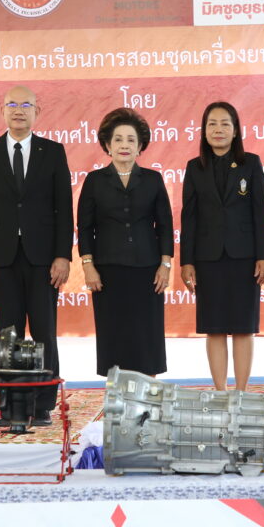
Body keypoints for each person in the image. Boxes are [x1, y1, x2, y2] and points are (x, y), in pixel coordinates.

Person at [0, 86, 73, 426]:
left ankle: (43, 405)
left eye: (25, 104)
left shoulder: (52, 151)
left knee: (45, 332)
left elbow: (64, 208)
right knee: (8, 335)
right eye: (11, 104)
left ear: (36, 112)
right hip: (1, 259)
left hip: (43, 258)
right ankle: (11, 405)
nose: (18, 110)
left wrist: (63, 255)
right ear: (2, 111)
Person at [180, 102, 264, 391]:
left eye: (224, 124)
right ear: (204, 130)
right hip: (207, 258)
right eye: (212, 124)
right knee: (215, 329)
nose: (218, 129)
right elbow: (189, 217)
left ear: (235, 131)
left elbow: (260, 211)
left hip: (245, 257)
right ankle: (220, 392)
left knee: (244, 328)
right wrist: (186, 261)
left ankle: (241, 393)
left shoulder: (251, 163)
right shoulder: (194, 167)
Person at [78, 108, 173, 377]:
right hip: (107, 270)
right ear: (107, 145)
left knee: (147, 335)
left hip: (148, 269)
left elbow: (165, 226)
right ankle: (116, 396)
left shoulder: (153, 179)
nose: (124, 145)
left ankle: (148, 395)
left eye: (131, 140)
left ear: (140, 146)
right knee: (114, 335)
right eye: (118, 139)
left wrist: (165, 264)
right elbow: (85, 227)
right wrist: (88, 265)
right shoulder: (95, 181)